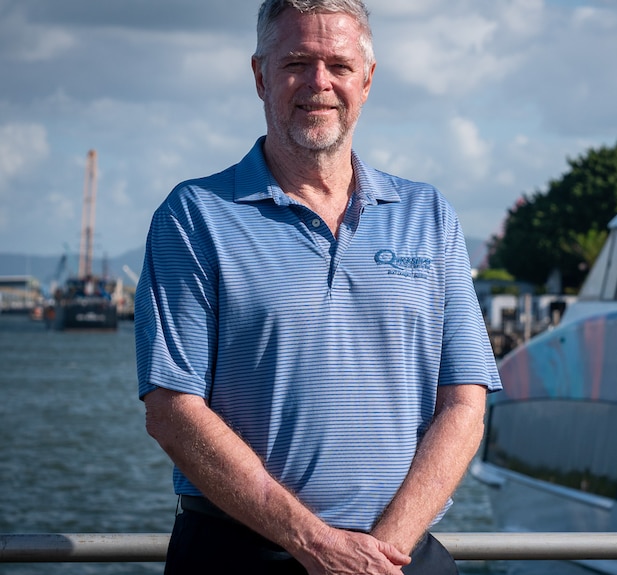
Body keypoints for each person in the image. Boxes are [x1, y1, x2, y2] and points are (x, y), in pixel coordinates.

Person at [134, 0, 502, 573]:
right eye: (296, 63)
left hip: (396, 557)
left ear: (368, 79)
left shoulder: (429, 216)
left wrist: (378, 554)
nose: (319, 83)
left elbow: (464, 403)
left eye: (339, 65)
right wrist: (316, 545)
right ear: (260, 76)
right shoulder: (195, 216)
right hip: (242, 554)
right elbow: (171, 410)